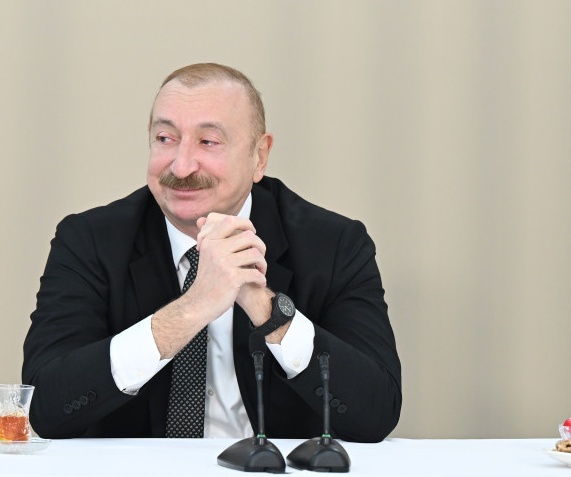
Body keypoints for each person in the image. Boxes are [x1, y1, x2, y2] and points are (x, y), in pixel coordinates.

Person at [22, 63, 401, 442]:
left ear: (259, 156)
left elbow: (375, 413)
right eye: (165, 138)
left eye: (208, 142)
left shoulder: (333, 244)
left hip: (274, 476)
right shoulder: (90, 240)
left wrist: (263, 306)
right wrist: (192, 308)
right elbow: (47, 408)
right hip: (136, 476)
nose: (181, 166)